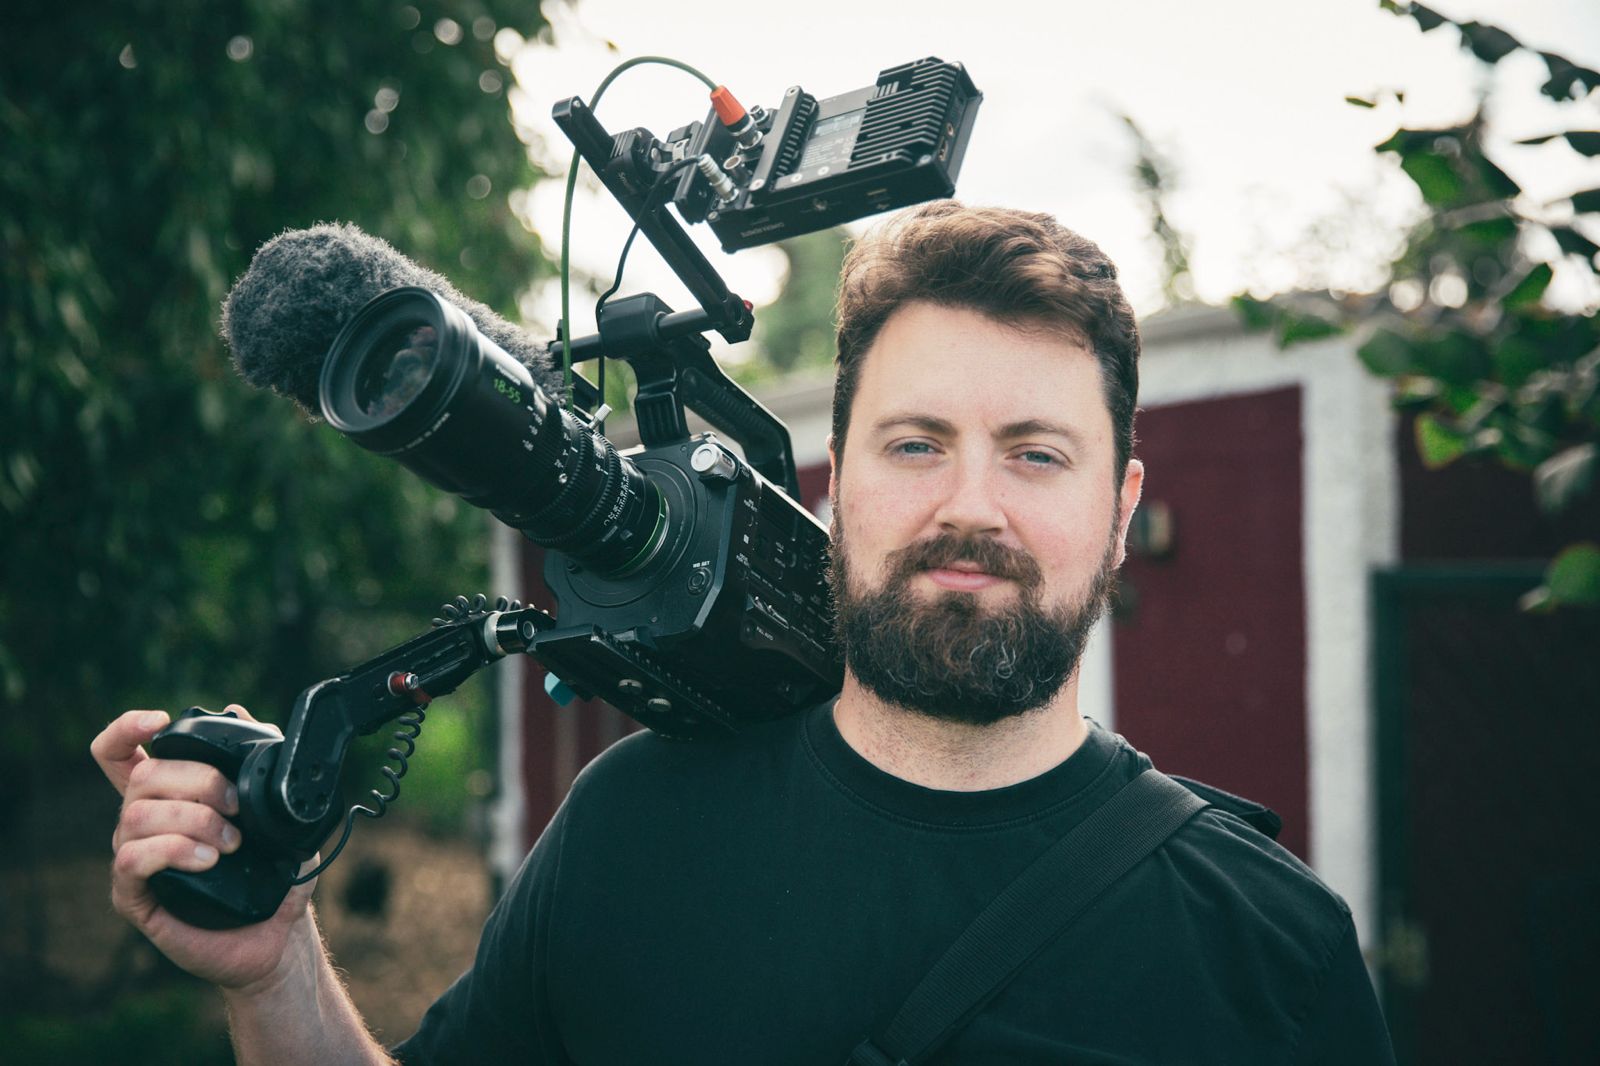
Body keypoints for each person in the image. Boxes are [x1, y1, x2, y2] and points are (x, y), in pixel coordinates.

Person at [93, 201, 1396, 1064]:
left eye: (1036, 453)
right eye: (914, 443)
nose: (969, 504)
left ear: (1119, 512)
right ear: (839, 486)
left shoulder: (1271, 946)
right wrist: (274, 971)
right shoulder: (627, 829)